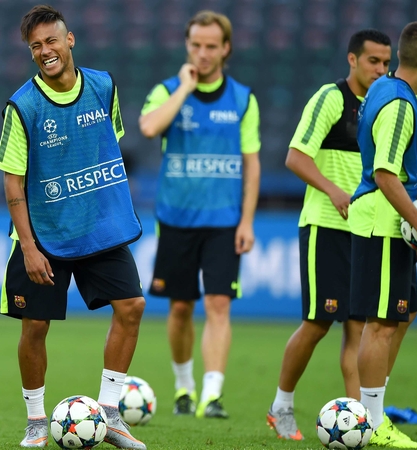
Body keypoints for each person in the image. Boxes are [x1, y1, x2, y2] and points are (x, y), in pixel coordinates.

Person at [0, 5, 146, 449]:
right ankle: (37, 421)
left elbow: (107, 148)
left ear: (70, 39)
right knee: (35, 326)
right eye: (36, 46)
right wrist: (28, 247)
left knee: (132, 306)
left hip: (97, 228)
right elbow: (12, 179)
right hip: (44, 234)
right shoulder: (22, 105)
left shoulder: (103, 86)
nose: (45, 51)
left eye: (51, 41)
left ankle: (112, 413)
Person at [267, 30, 392, 440]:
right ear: (352, 60)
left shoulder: (382, 104)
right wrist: (334, 190)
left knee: (359, 327)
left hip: (363, 229)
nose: (381, 69)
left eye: (386, 62)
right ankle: (281, 406)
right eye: (373, 61)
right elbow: (295, 156)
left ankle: (364, 422)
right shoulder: (330, 98)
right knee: (318, 323)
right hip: (325, 225)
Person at [138, 10, 260, 419]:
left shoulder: (243, 98)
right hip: (176, 218)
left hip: (224, 221)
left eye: (211, 46)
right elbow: (150, 128)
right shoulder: (168, 90)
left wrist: (246, 221)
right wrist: (185, 89)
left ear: (226, 48)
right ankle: (184, 387)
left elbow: (252, 163)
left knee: (219, 304)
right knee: (179, 308)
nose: (203, 53)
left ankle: (212, 394)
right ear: (187, 46)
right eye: (195, 45)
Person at [350, 21, 417, 448]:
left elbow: (389, 150)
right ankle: (372, 422)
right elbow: (384, 173)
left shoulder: (386, 89)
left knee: (402, 315)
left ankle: (372, 408)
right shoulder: (397, 103)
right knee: (380, 324)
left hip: (391, 222)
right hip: (381, 221)